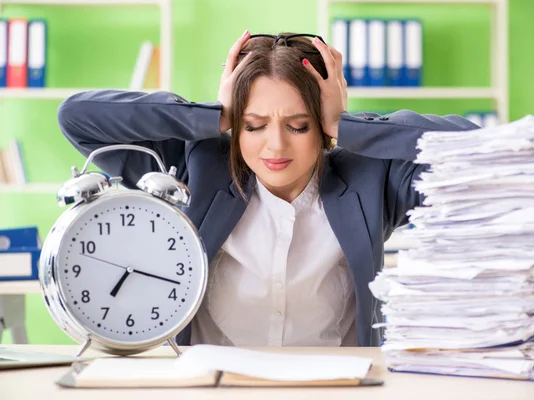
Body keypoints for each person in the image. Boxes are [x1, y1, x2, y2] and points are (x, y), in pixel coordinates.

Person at [57, 30, 479, 347]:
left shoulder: (373, 179)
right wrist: (212, 116)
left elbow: (477, 151)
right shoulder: (197, 166)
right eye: (254, 125)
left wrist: (347, 126)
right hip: (213, 389)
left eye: (300, 125)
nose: (275, 145)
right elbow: (77, 117)